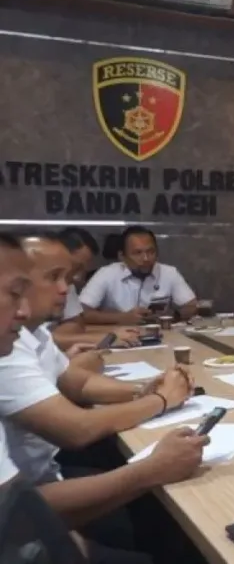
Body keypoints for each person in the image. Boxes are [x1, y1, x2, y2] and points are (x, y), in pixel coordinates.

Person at [0, 233, 206, 564]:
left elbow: (76, 382)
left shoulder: (31, 334)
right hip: (35, 524)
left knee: (162, 514)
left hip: (44, 487)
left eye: (69, 278)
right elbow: (74, 431)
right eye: (15, 292)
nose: (66, 289)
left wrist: (145, 391)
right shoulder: (8, 352)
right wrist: (158, 410)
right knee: (170, 524)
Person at [79, 227, 198, 324]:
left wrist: (172, 315)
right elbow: (81, 313)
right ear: (122, 256)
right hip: (119, 335)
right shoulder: (106, 274)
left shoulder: (169, 272)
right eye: (138, 253)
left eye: (151, 252)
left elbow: (191, 306)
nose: (146, 258)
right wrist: (121, 318)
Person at [53, 229, 139, 350]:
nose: (79, 278)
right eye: (75, 267)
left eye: (84, 269)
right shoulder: (33, 290)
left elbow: (76, 325)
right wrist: (105, 338)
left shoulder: (68, 284)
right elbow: (40, 341)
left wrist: (59, 336)